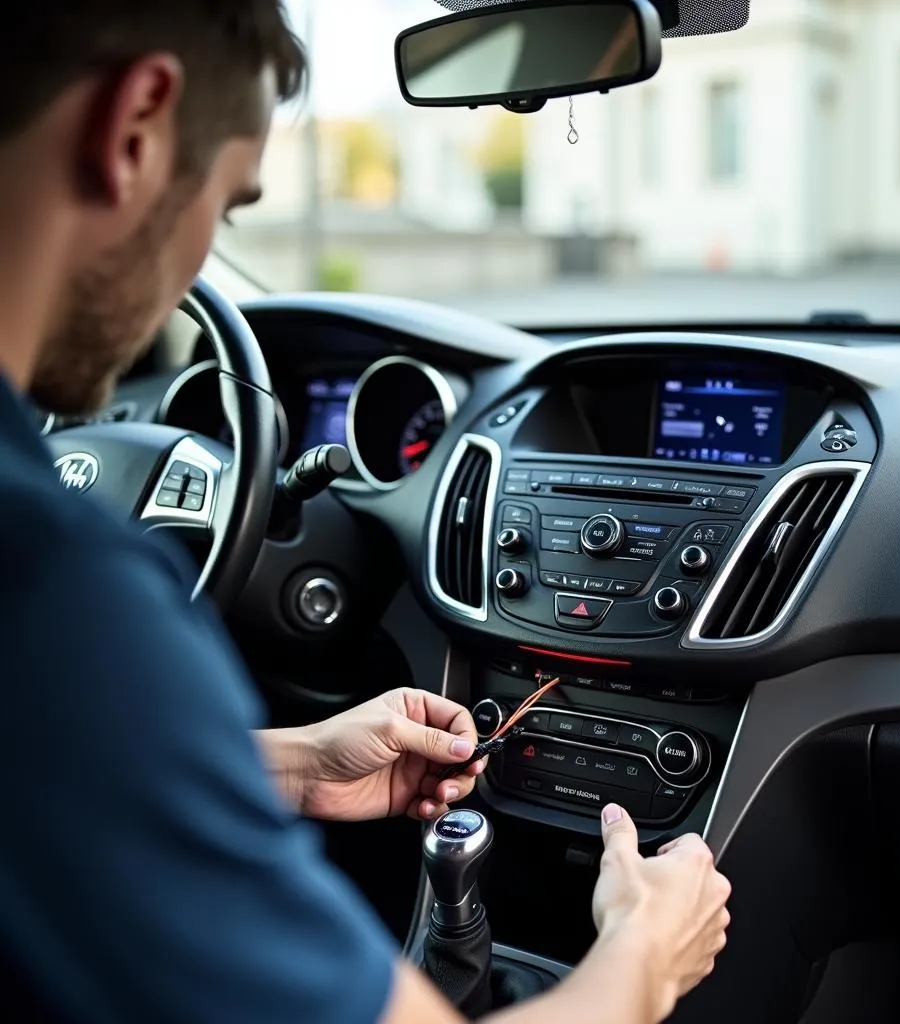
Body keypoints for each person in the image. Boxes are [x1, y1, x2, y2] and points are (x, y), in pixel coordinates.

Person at [0, 3, 732, 1023]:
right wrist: (647, 951)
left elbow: (50, 767)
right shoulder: (58, 591)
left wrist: (295, 764)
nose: (208, 248)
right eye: (231, 202)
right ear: (136, 128)